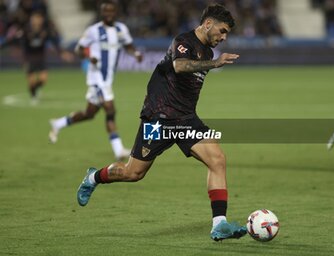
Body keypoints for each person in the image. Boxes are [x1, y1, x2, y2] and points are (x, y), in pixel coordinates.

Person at [76, 3, 247, 241]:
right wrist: (215, 63)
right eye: (222, 30)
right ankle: (94, 177)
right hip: (159, 119)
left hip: (186, 119)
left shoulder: (206, 51)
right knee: (133, 173)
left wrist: (211, 60)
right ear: (208, 24)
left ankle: (219, 224)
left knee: (217, 160)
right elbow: (179, 66)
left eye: (227, 33)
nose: (224, 36)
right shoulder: (184, 41)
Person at [49, 1, 143, 161]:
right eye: (105, 12)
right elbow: (78, 48)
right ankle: (119, 150)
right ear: (101, 13)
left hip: (107, 79)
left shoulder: (121, 29)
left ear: (116, 12)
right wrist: (88, 56)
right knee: (110, 109)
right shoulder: (93, 30)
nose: (109, 14)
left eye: (111, 11)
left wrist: (135, 53)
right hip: (96, 78)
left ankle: (59, 123)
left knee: (89, 114)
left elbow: (129, 45)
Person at [0, 10, 73, 103]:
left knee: (43, 79)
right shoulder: (25, 31)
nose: (37, 20)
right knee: (32, 81)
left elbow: (54, 43)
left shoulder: (45, 31)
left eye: (39, 18)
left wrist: (62, 53)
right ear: (31, 20)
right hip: (29, 58)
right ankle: (33, 95)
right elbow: (12, 40)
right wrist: (1, 46)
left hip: (41, 57)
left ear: (42, 20)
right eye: (35, 18)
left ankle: (35, 90)